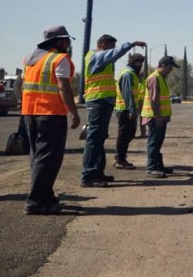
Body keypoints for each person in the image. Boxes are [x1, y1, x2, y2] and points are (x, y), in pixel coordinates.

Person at [21, 25, 81, 215]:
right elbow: (63, 87)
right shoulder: (59, 58)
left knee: (38, 158)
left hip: (29, 113)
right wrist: (73, 112)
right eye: (67, 41)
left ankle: (45, 196)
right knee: (49, 159)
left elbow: (22, 84)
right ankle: (36, 202)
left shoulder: (30, 58)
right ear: (59, 41)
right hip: (50, 113)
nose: (68, 45)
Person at [81, 34, 146, 187]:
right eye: (111, 47)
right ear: (103, 45)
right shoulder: (96, 56)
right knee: (94, 139)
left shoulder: (100, 59)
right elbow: (115, 54)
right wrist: (132, 44)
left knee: (99, 138)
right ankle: (88, 176)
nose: (113, 50)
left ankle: (98, 172)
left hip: (103, 102)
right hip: (98, 101)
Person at [141, 55, 178, 178]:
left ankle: (158, 165)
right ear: (163, 66)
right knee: (154, 142)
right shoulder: (154, 78)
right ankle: (151, 168)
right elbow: (154, 100)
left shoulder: (161, 77)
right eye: (170, 67)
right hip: (154, 117)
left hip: (160, 117)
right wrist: (158, 116)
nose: (171, 70)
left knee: (158, 142)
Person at [113, 53, 145, 169]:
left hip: (128, 109)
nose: (141, 66)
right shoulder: (128, 74)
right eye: (139, 63)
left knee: (130, 134)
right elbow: (127, 93)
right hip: (125, 109)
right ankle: (120, 160)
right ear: (134, 62)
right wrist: (132, 110)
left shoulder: (132, 74)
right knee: (124, 135)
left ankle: (120, 157)